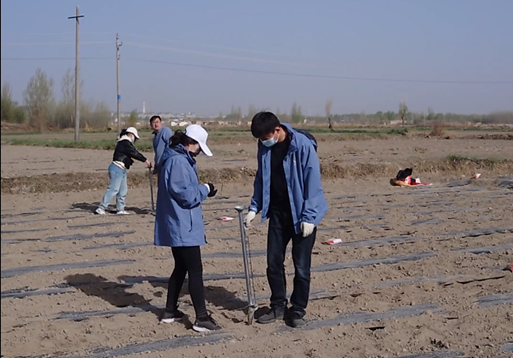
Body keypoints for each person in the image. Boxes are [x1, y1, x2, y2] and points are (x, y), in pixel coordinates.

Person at [244, 111, 328, 328]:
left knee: (301, 266)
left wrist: (309, 217)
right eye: (261, 140)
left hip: (301, 215)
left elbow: (313, 184)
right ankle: (278, 306)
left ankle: (298, 310)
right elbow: (262, 178)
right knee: (273, 262)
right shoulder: (264, 147)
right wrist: (255, 207)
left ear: (277, 130)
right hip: (278, 213)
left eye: (266, 137)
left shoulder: (301, 146)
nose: (264, 142)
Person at [154, 124, 221, 332]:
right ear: (190, 143)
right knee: (195, 270)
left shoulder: (175, 159)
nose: (199, 151)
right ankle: (201, 318)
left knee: (181, 267)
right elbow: (187, 195)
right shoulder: (179, 162)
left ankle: (169, 311)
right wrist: (205, 189)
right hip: (183, 225)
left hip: (178, 223)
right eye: (199, 146)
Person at [95, 127, 151, 215]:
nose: (134, 140)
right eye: (135, 138)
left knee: (122, 190)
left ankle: (120, 209)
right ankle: (101, 207)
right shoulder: (125, 143)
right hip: (117, 168)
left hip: (122, 169)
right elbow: (134, 153)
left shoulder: (124, 143)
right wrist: (145, 160)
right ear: (130, 135)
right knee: (113, 189)